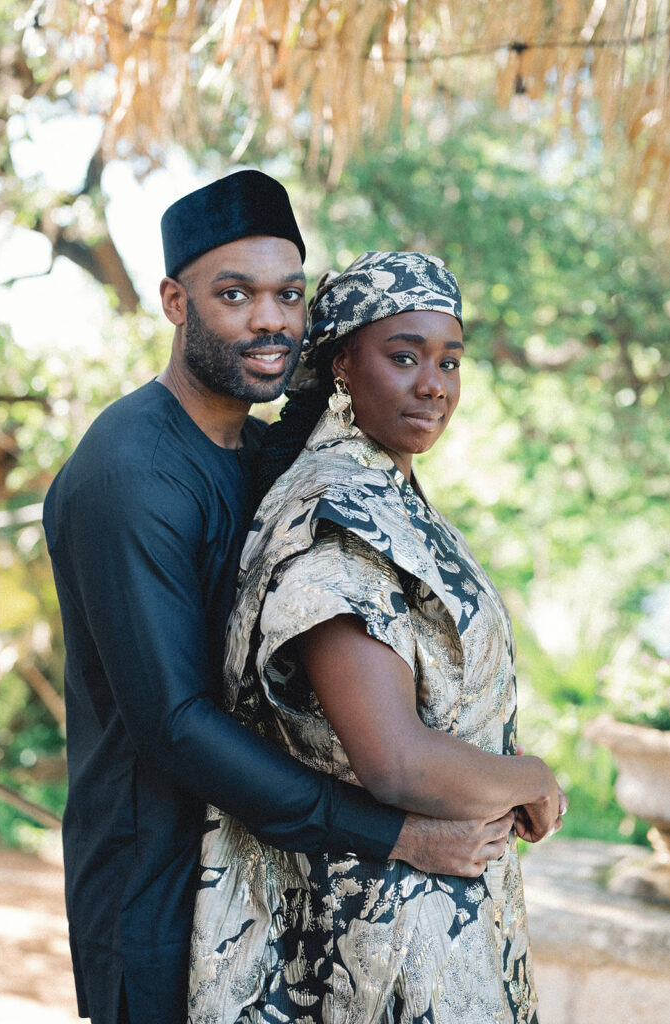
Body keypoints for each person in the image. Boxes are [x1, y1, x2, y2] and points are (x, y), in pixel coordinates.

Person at [43, 178, 516, 1024]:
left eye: (288, 296)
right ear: (173, 302)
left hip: (264, 875)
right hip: (156, 886)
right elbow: (175, 722)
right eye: (235, 295)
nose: (270, 319)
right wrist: (400, 835)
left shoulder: (260, 457)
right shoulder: (131, 474)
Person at [187, 251, 566, 1023]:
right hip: (380, 937)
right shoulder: (338, 520)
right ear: (340, 367)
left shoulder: (385, 495)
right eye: (403, 356)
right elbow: (394, 761)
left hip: (439, 912)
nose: (433, 384)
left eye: (448, 361)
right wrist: (531, 777)